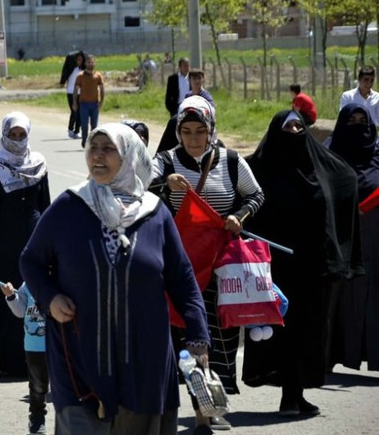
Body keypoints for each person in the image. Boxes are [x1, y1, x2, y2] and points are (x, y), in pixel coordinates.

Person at [20, 123, 210, 434]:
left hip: (144, 358)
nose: (97, 156)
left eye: (109, 150)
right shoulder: (70, 206)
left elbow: (183, 279)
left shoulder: (154, 212)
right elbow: (31, 260)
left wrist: (198, 336)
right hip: (80, 357)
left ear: (130, 156)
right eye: (93, 148)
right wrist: (50, 298)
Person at [149, 95, 264, 433]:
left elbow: (256, 194)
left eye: (200, 130)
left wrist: (238, 216)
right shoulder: (166, 161)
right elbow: (138, 186)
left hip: (220, 266)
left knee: (221, 337)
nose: (193, 138)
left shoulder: (230, 161)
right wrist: (162, 185)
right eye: (186, 131)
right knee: (190, 336)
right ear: (178, 132)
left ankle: (213, 401)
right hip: (179, 264)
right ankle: (201, 411)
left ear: (211, 129)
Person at [242, 111, 359, 417]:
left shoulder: (318, 167)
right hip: (274, 269)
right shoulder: (260, 170)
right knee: (283, 331)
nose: (294, 131)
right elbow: (241, 196)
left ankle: (296, 393)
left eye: (298, 126)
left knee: (309, 330)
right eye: (287, 127)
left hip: (311, 267)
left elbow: (345, 180)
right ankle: (289, 394)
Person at [0, 112, 50, 377]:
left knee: (32, 301)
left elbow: (46, 205)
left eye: (22, 134)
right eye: (13, 135)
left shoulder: (38, 163)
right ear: (5, 135)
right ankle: (4, 359)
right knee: (4, 299)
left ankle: (32, 358)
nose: (17, 140)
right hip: (2, 242)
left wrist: (51, 241)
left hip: (33, 237)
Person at [324, 104, 379, 371]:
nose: (358, 126)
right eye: (352, 121)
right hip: (340, 237)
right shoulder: (329, 155)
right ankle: (329, 357)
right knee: (340, 299)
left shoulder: (378, 155)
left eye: (363, 121)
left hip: (375, 238)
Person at [0, 281, 49, 435]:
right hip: (35, 345)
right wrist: (11, 296)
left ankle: (72, 418)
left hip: (61, 344)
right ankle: (37, 417)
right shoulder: (29, 282)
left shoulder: (64, 276)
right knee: (38, 386)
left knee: (69, 383)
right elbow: (20, 311)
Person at [72, 55, 105, 148]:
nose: (90, 63)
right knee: (84, 124)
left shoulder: (98, 76)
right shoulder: (80, 76)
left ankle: (93, 143)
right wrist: (74, 102)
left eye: (92, 62)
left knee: (94, 126)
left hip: (94, 104)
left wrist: (101, 101)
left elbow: (102, 89)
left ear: (94, 63)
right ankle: (85, 140)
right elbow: (76, 90)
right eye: (88, 62)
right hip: (84, 104)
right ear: (85, 63)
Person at [59, 50, 85, 139]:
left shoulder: (83, 70)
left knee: (81, 113)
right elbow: (64, 75)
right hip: (71, 92)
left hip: (81, 93)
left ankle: (77, 131)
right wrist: (62, 82)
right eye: (78, 60)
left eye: (81, 60)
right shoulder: (71, 69)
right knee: (74, 111)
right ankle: (70, 129)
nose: (79, 62)